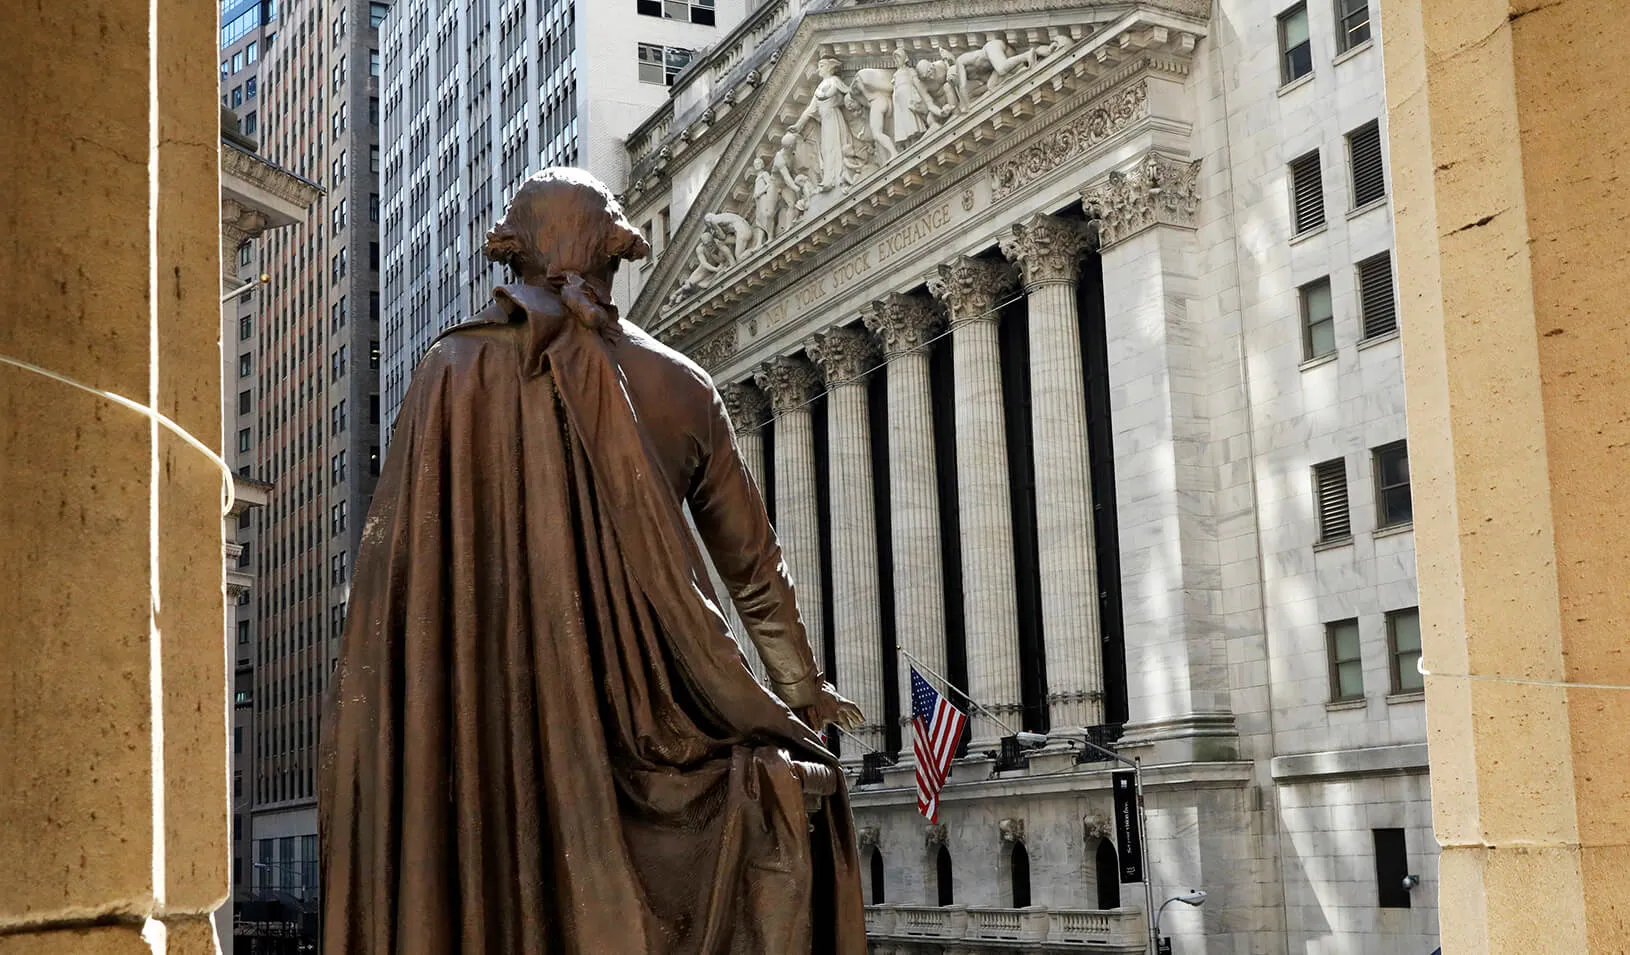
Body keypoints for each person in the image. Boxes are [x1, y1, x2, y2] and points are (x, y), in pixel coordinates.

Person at [320, 167, 867, 955]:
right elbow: (754, 573)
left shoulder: (450, 374)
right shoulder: (683, 385)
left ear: (515, 259)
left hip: (494, 728)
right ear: (616, 255)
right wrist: (802, 692)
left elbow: (397, 587)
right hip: (661, 737)